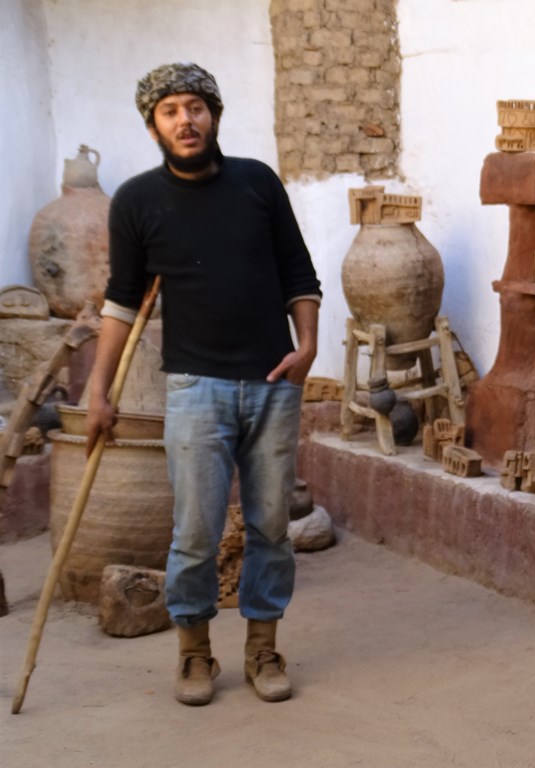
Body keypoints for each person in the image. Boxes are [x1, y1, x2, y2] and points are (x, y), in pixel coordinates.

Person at [85, 62, 321, 706]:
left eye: (195, 106)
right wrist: (98, 393)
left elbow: (299, 272)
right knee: (196, 531)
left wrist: (309, 345)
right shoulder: (136, 200)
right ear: (153, 125)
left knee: (271, 525)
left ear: (214, 114)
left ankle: (263, 648)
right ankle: (194, 655)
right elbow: (121, 302)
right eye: (170, 111)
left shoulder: (257, 183)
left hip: (273, 383)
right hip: (194, 389)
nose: (185, 120)